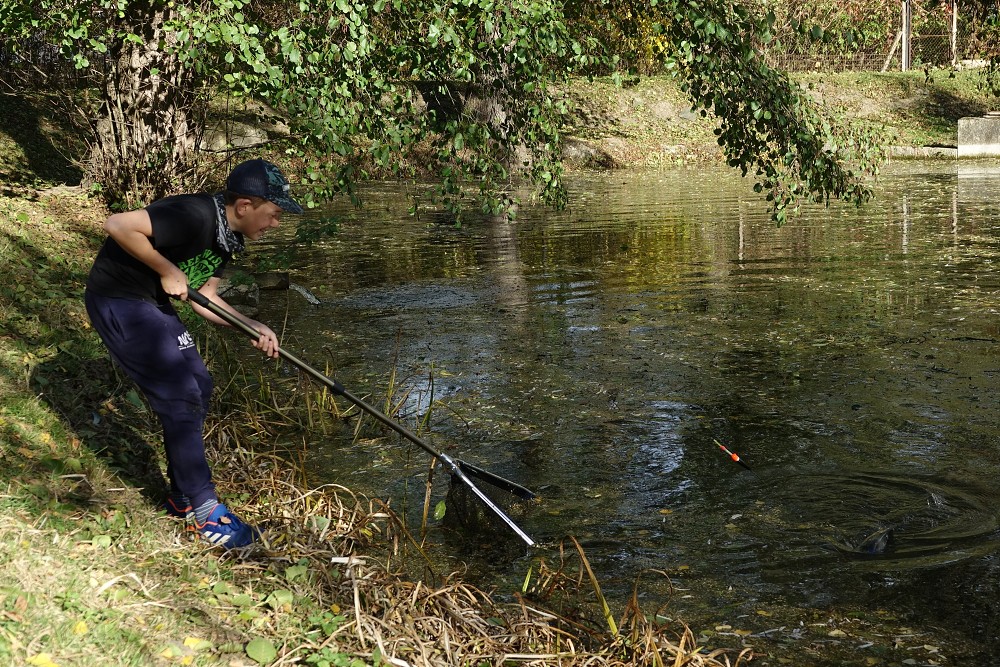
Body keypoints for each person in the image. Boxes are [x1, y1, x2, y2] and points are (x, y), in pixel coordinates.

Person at [84, 159, 303, 549]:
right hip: (118, 299)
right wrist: (165, 267)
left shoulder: (227, 238)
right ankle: (205, 515)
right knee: (181, 394)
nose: (275, 223)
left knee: (199, 384)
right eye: (273, 213)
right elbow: (118, 224)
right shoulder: (193, 215)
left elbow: (208, 299)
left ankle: (182, 497)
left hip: (151, 304)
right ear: (245, 206)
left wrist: (253, 327)